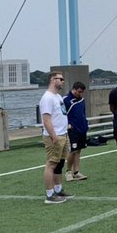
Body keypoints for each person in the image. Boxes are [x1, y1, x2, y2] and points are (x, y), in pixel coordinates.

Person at [39, 71, 73, 204]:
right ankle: (50, 194)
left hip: (63, 133)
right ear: (53, 80)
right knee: (51, 164)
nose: (63, 81)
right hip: (55, 136)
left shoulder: (58, 96)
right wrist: (54, 136)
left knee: (60, 164)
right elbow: (46, 120)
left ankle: (58, 190)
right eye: (61, 79)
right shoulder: (47, 98)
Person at [63, 80, 89, 182]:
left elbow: (83, 113)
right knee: (73, 150)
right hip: (72, 129)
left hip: (82, 128)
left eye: (82, 92)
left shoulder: (82, 100)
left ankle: (76, 172)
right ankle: (68, 171)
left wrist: (85, 125)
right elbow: (61, 114)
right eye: (79, 91)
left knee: (78, 150)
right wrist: (67, 124)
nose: (80, 94)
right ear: (73, 89)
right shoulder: (66, 100)